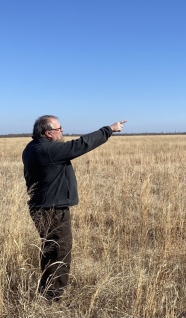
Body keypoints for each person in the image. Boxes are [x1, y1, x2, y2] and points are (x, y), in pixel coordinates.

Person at [22, 115, 127, 303]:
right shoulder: (48, 150)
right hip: (52, 211)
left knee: (50, 250)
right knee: (60, 252)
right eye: (59, 129)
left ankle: (46, 293)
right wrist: (109, 130)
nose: (62, 131)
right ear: (48, 133)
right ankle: (52, 300)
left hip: (42, 207)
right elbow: (80, 145)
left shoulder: (32, 147)